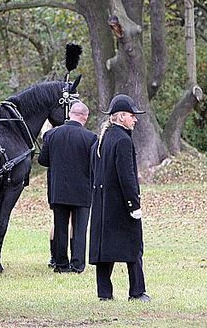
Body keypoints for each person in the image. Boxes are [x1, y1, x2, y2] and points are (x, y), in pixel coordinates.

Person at [89, 94, 150, 302]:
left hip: (104, 203)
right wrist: (134, 204)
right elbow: (127, 177)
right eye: (132, 116)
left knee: (105, 249)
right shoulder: (123, 140)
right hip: (121, 204)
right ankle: (137, 291)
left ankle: (104, 293)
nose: (135, 120)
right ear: (121, 117)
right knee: (134, 248)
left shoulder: (104, 138)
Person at [38, 102, 96, 273]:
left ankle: (61, 263)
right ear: (85, 117)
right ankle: (77, 264)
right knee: (79, 229)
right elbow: (94, 164)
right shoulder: (91, 138)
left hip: (59, 189)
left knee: (60, 227)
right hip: (82, 190)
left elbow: (43, 160)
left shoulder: (51, 135)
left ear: (70, 113)